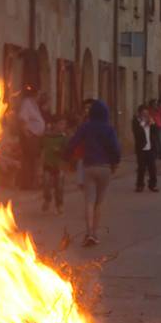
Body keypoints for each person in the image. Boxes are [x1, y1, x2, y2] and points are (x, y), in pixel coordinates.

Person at [65, 100, 121, 247]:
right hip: (105, 168)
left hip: (89, 166)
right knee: (99, 202)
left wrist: (67, 155)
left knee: (89, 201)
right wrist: (115, 163)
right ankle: (95, 234)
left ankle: (89, 233)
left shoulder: (86, 127)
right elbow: (115, 148)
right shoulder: (109, 129)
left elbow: (73, 142)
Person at [16, 86, 45, 190]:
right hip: (30, 137)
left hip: (35, 137)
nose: (41, 97)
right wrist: (26, 132)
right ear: (35, 94)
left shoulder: (34, 104)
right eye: (40, 94)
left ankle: (33, 183)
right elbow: (22, 118)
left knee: (34, 160)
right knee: (30, 161)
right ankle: (28, 184)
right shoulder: (27, 103)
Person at [41, 117, 68, 214]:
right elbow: (41, 148)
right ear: (55, 125)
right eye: (61, 124)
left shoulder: (64, 138)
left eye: (64, 124)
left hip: (59, 166)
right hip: (47, 164)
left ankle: (59, 205)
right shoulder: (46, 137)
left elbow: (67, 152)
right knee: (46, 183)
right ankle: (47, 199)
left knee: (59, 186)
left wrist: (60, 151)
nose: (62, 126)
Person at [132, 104, 158, 193]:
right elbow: (137, 133)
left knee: (152, 168)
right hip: (141, 148)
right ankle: (140, 185)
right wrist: (143, 123)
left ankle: (153, 185)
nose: (145, 115)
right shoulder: (136, 121)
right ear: (140, 113)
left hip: (150, 147)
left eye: (147, 113)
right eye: (143, 113)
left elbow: (155, 132)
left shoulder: (150, 120)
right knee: (141, 167)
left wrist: (153, 124)